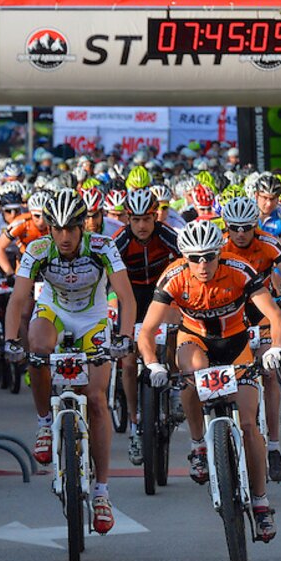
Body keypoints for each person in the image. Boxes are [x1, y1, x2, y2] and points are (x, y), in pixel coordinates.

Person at [138, 220, 281, 541]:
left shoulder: (239, 269)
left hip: (236, 345)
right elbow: (147, 330)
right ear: (184, 257)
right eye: (195, 258)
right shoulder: (174, 277)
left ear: (220, 253)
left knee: (248, 426)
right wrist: (153, 365)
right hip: (196, 342)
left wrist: (275, 348)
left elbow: (274, 315)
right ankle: (198, 446)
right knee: (191, 373)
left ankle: (260, 504)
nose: (202, 265)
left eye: (208, 256)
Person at [4, 190, 135, 535]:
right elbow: (18, 300)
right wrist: (8, 341)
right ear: (49, 229)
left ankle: (102, 493)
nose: (64, 237)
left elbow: (125, 296)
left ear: (82, 228)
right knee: (37, 345)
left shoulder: (103, 247)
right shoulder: (37, 249)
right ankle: (45, 423)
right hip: (55, 311)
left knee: (95, 399)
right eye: (57, 229)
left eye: (70, 230)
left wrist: (124, 337)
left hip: (92, 318)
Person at [220, 196, 281, 483]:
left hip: (262, 313)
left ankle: (274, 447)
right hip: (230, 315)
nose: (241, 233)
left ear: (254, 225)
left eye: (246, 227)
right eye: (234, 227)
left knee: (269, 373)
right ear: (226, 227)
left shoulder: (268, 242)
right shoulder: (218, 246)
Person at [111, 188, 181, 466]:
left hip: (162, 294)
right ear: (128, 218)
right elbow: (105, 275)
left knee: (176, 328)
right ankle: (135, 424)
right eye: (136, 219)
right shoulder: (120, 241)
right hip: (132, 299)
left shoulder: (168, 235)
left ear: (156, 217)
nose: (141, 226)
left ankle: (175, 386)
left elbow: (187, 262)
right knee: (128, 363)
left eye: (147, 219)